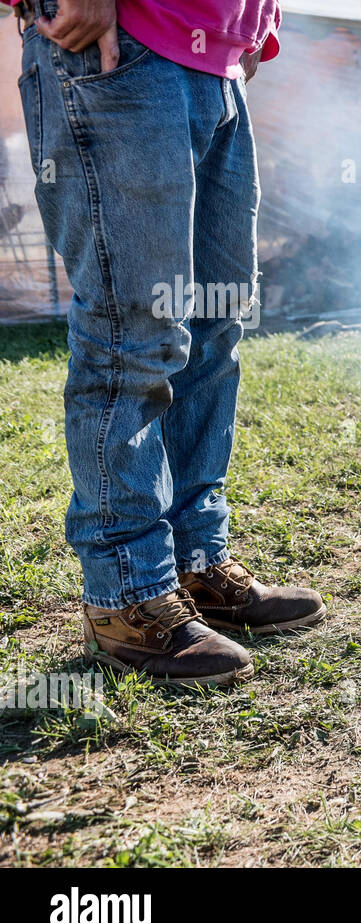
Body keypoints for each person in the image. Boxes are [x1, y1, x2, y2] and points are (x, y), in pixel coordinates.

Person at [14, 0, 325, 687]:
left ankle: (195, 559)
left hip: (217, 64)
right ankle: (127, 595)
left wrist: (259, 22)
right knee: (133, 334)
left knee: (214, 329)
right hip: (119, 48)